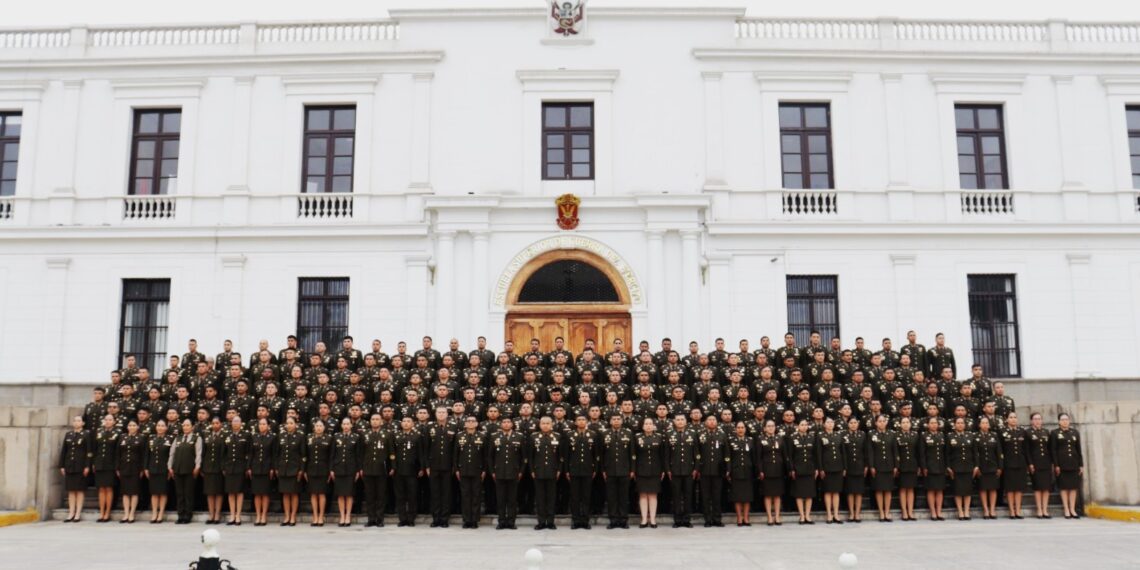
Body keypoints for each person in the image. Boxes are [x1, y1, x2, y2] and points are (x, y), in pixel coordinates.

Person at [489, 417, 526, 530]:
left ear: (512, 424)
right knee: (500, 499)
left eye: (508, 422)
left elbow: (523, 457)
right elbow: (490, 457)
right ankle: (501, 521)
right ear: (500, 424)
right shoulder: (494, 436)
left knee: (512, 499)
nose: (506, 424)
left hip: (514, 472)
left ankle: (511, 521)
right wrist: (492, 471)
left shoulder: (519, 436)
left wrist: (521, 471)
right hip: (499, 472)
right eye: (504, 422)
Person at [529, 416, 564, 530]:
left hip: (552, 471)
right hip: (538, 471)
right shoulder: (534, 437)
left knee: (551, 498)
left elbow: (560, 456)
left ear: (551, 425)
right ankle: (541, 522)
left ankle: (550, 522)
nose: (545, 425)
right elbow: (530, 456)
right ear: (539, 425)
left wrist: (559, 470)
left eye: (548, 423)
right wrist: (532, 470)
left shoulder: (557, 436)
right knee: (540, 498)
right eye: (543, 423)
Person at [426, 407, 457, 528]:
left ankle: (444, 519)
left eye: (443, 412)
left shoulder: (453, 427)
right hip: (433, 466)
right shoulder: (429, 427)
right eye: (439, 412)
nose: (441, 414)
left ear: (447, 414)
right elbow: (426, 448)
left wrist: (454, 466)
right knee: (435, 493)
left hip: (448, 466)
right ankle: (436, 518)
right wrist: (427, 466)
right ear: (435, 414)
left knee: (446, 493)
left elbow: (455, 449)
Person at [664, 415, 697, 528]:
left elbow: (696, 453)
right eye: (678, 420)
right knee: (676, 496)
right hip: (675, 470)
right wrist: (668, 469)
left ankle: (687, 520)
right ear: (674, 422)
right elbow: (666, 454)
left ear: (686, 422)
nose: (680, 421)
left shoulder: (692, 434)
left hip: (689, 470)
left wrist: (696, 468)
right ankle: (677, 520)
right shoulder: (669, 434)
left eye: (682, 419)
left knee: (688, 496)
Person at [602, 414, 634, 529]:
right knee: (612, 497)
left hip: (624, 470)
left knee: (623, 497)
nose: (616, 421)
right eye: (614, 419)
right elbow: (601, 454)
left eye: (618, 419)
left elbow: (632, 453)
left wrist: (632, 469)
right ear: (610, 421)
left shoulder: (628, 433)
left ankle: (623, 520)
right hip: (610, 470)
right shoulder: (604, 434)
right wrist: (603, 469)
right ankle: (613, 520)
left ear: (622, 421)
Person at [360, 413, 393, 528]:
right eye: (373, 419)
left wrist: (392, 467)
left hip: (381, 469)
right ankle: (371, 519)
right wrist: (360, 468)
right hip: (368, 469)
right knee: (370, 496)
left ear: (381, 421)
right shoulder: (364, 434)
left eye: (377, 419)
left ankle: (379, 519)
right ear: (370, 421)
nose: (375, 421)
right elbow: (360, 453)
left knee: (381, 495)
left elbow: (391, 452)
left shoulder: (387, 434)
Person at [454, 415, 486, 529]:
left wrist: (484, 470)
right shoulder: (459, 436)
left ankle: (474, 520)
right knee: (465, 495)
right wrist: (456, 469)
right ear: (465, 423)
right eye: (468, 421)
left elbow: (485, 455)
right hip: (463, 470)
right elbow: (455, 454)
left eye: (473, 421)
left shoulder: (482, 436)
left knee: (476, 495)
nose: (471, 423)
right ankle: (467, 519)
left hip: (477, 470)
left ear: (477, 424)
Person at [168, 418, 202, 524]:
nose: (185, 427)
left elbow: (198, 453)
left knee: (188, 493)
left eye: (188, 425)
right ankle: (180, 515)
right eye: (184, 425)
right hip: (177, 469)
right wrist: (169, 466)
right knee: (179, 494)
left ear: (192, 427)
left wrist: (197, 466)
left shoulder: (197, 438)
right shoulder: (178, 438)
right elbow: (172, 454)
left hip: (190, 469)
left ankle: (187, 515)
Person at [632, 417, 665, 528]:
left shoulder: (659, 437)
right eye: (646, 424)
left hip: (655, 470)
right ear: (642, 426)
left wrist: (663, 469)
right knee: (642, 495)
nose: (648, 426)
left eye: (650, 423)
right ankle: (644, 519)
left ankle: (653, 519)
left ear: (654, 426)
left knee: (653, 495)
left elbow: (663, 455)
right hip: (641, 470)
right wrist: (633, 470)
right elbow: (633, 455)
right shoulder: (637, 437)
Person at [392, 416, 425, 527]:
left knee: (412, 495)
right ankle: (402, 518)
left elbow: (421, 453)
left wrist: (421, 468)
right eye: (404, 421)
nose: (406, 423)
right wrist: (393, 467)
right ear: (401, 423)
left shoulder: (417, 436)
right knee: (400, 496)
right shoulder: (396, 435)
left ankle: (411, 518)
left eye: (408, 421)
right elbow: (392, 453)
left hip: (412, 470)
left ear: (413, 424)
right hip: (398, 470)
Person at [696, 414, 728, 527]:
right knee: (705, 496)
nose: (712, 421)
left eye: (714, 420)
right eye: (709, 420)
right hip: (704, 470)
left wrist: (727, 468)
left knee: (717, 496)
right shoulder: (700, 434)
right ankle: (707, 519)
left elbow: (726, 453)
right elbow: (697, 453)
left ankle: (717, 519)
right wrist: (697, 468)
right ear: (705, 422)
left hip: (718, 470)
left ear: (717, 422)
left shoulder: (722, 435)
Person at [1051, 413, 1084, 519]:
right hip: (1062, 464)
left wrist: (1081, 464)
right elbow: (1053, 450)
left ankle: (1072, 509)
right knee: (1064, 487)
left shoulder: (1075, 432)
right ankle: (1066, 509)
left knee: (1073, 487)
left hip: (1074, 463)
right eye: (1062, 419)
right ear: (1059, 421)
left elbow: (1078, 450)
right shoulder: (1055, 433)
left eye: (1066, 419)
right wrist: (1056, 465)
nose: (1065, 421)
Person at [275, 416, 307, 526]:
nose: (289, 425)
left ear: (296, 425)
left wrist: (301, 469)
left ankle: (293, 516)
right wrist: (277, 468)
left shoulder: (300, 436)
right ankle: (287, 516)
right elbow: (277, 454)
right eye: (287, 423)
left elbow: (303, 455)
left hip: (294, 469)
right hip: (283, 468)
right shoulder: (281, 436)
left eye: (291, 423)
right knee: (285, 493)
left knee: (293, 493)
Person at [59, 415, 91, 523]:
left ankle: (78, 513)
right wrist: (62, 465)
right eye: (75, 420)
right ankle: (71, 512)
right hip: (69, 465)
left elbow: (89, 452)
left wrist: (87, 466)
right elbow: (64, 451)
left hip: (80, 466)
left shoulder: (86, 434)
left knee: (79, 490)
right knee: (71, 490)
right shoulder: (69, 434)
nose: (76, 422)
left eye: (79, 421)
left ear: (83, 423)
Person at [787, 418, 820, 525]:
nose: (804, 427)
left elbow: (815, 454)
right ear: (798, 426)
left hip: (810, 468)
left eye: (806, 425)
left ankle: (808, 515)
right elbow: (790, 455)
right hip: (798, 469)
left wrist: (816, 468)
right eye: (802, 425)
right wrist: (792, 469)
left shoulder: (812, 437)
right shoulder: (792, 437)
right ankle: (802, 516)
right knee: (799, 494)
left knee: (809, 494)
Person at [332, 417, 363, 527]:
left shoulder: (356, 437)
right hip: (338, 468)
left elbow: (358, 455)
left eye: (347, 424)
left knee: (349, 494)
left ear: (351, 425)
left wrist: (358, 470)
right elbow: (332, 454)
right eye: (344, 424)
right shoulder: (336, 436)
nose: (346, 426)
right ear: (341, 425)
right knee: (340, 494)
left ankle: (348, 516)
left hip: (351, 469)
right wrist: (331, 469)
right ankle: (342, 516)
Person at [816, 417, 846, 524]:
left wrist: (844, 467)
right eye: (828, 422)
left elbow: (843, 452)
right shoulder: (820, 435)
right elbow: (819, 453)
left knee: (836, 491)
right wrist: (821, 468)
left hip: (838, 466)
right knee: (828, 491)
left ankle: (836, 514)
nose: (830, 424)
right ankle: (829, 514)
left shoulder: (838, 435)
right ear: (824, 424)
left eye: (832, 422)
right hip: (827, 467)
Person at [947, 417, 977, 521]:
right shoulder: (950, 436)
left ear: (965, 425)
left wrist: (976, 466)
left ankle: (967, 511)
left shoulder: (970, 435)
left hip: (968, 466)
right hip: (956, 467)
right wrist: (948, 467)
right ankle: (960, 511)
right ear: (954, 425)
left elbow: (975, 452)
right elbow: (947, 453)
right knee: (958, 490)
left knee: (968, 490)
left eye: (962, 423)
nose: (960, 425)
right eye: (958, 423)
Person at [116, 419, 146, 523]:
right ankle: (126, 513)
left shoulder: (141, 438)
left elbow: (143, 455)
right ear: (127, 427)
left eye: (134, 425)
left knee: (134, 492)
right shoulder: (122, 437)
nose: (132, 427)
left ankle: (132, 513)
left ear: (137, 427)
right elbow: (118, 453)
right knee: (125, 492)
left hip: (135, 468)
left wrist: (142, 468)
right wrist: (117, 467)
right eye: (130, 425)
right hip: (124, 467)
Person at [222, 417, 250, 526]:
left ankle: (238, 515)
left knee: (239, 491)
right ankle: (232, 515)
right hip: (229, 466)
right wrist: (223, 467)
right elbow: (223, 453)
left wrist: (247, 467)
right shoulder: (227, 435)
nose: (235, 423)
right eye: (234, 421)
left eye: (237, 421)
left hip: (240, 466)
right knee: (231, 491)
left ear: (241, 423)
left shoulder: (246, 435)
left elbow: (248, 453)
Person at [918, 416, 947, 521]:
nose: (934, 425)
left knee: (940, 490)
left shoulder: (942, 435)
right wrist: (924, 467)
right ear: (928, 425)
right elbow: (922, 453)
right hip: (929, 466)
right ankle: (933, 512)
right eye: (932, 423)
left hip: (941, 466)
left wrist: (946, 466)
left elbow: (945, 452)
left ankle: (939, 511)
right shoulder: (924, 436)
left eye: (935, 423)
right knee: (931, 490)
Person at [1000, 412, 1029, 519]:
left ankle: (1018, 510)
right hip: (1008, 463)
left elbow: (1025, 449)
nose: (1013, 419)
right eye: (1011, 417)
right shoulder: (1002, 432)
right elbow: (1000, 450)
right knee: (1010, 488)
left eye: (1015, 417)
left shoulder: (1022, 431)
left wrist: (1027, 463)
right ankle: (1011, 511)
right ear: (1007, 419)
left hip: (1020, 463)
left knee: (1019, 488)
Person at [144, 418, 174, 523]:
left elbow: (172, 455)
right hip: (152, 468)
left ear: (166, 428)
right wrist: (146, 468)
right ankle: (154, 513)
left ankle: (161, 513)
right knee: (154, 493)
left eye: (162, 426)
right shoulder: (151, 438)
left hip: (164, 469)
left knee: (163, 492)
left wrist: (170, 469)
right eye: (158, 425)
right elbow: (147, 454)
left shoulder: (170, 439)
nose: (160, 428)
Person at [305, 419, 333, 526]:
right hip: (311, 469)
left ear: (324, 427)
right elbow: (305, 455)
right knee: (313, 494)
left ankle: (321, 516)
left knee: (321, 494)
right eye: (317, 426)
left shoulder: (329, 438)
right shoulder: (309, 438)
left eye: (321, 426)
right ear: (314, 427)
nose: (319, 428)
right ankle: (315, 516)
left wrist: (330, 470)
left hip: (323, 469)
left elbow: (331, 456)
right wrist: (305, 470)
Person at [1026, 412, 1054, 518]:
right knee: (1037, 487)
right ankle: (1039, 509)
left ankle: (1045, 509)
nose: (1037, 421)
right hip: (1035, 463)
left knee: (1046, 487)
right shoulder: (1028, 432)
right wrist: (1030, 463)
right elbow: (1027, 450)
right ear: (1031, 421)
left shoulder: (1046, 432)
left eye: (1039, 419)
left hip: (1046, 462)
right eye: (1035, 419)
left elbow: (1050, 449)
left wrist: (1052, 462)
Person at [726, 421, 755, 526]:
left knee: (747, 496)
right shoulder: (730, 440)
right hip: (736, 471)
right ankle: (739, 518)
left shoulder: (750, 440)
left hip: (748, 471)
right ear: (735, 429)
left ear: (745, 429)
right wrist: (728, 470)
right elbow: (728, 457)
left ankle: (746, 518)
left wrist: (755, 470)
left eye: (742, 427)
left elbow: (754, 457)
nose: (740, 429)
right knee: (737, 496)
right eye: (738, 427)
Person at [757, 419, 785, 526]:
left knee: (778, 495)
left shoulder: (780, 438)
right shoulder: (760, 439)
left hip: (778, 469)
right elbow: (758, 457)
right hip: (767, 470)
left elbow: (784, 454)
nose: (771, 428)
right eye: (768, 426)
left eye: (772, 426)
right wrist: (760, 470)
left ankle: (777, 516)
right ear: (764, 428)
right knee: (768, 495)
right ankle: (769, 517)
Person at [92, 414, 119, 523]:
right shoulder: (99, 432)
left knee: (108, 488)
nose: (108, 421)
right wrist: (94, 463)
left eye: (110, 419)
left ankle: (107, 512)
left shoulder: (117, 433)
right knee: (101, 489)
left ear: (114, 421)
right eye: (106, 419)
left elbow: (117, 452)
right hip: (100, 464)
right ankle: (101, 512)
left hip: (110, 465)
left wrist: (117, 466)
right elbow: (95, 449)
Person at [249, 418, 276, 526]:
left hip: (266, 467)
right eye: (260, 424)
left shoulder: (272, 437)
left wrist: (272, 468)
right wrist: (249, 467)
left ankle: (264, 515)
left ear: (268, 426)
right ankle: (258, 515)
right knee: (257, 493)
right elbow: (251, 453)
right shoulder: (254, 436)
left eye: (264, 424)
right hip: (255, 467)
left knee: (265, 493)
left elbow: (274, 454)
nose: (262, 426)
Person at [975, 416, 1003, 519]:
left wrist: (1000, 467)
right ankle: (986, 509)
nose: (985, 425)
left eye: (987, 423)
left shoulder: (994, 436)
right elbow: (975, 453)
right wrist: (977, 467)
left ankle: (992, 509)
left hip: (993, 465)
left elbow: (999, 452)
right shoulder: (976, 436)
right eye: (983, 423)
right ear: (979, 425)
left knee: (993, 488)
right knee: (983, 488)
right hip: (982, 466)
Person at [201, 417, 226, 525]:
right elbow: (203, 452)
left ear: (221, 424)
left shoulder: (224, 435)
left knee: (218, 492)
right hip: (208, 467)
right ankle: (211, 514)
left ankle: (217, 515)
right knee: (210, 492)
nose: (215, 425)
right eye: (213, 423)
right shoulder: (207, 435)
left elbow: (225, 453)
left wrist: (223, 467)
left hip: (219, 467)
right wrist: (202, 467)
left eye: (217, 423)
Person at [842, 417, 867, 522]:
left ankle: (857, 513)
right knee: (850, 491)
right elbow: (843, 452)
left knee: (859, 491)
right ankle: (851, 513)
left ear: (858, 424)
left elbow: (866, 451)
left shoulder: (862, 434)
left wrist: (866, 466)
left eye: (855, 423)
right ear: (848, 424)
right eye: (851, 423)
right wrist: (844, 467)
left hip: (860, 466)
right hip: (849, 466)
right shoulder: (843, 435)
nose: (853, 424)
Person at [895, 417, 920, 521]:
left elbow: (918, 452)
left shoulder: (915, 435)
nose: (905, 424)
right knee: (903, 489)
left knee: (911, 489)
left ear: (910, 424)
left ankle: (910, 511)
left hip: (912, 465)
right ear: (900, 424)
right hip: (902, 465)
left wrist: (919, 466)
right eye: (903, 422)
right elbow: (896, 452)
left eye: (907, 422)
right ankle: (904, 512)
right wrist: (897, 466)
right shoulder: (896, 435)